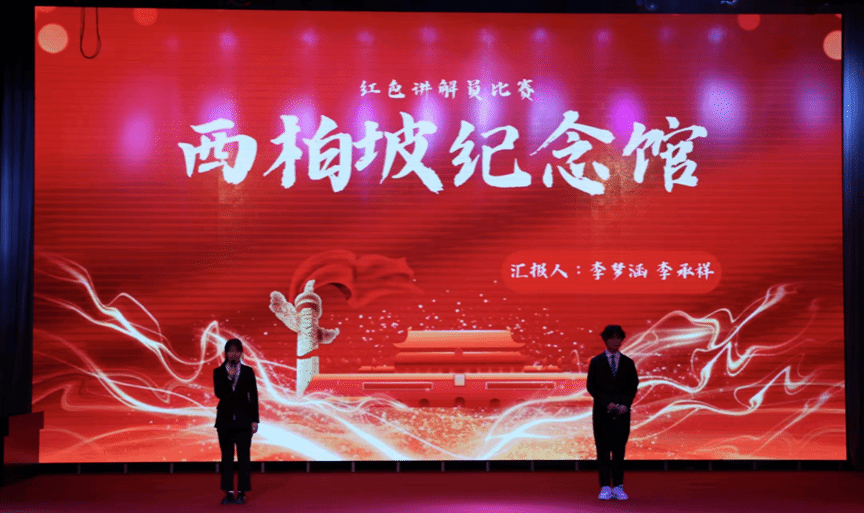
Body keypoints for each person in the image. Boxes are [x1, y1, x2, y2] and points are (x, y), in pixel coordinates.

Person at [586, 325, 639, 501]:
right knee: (602, 450)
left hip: (622, 413)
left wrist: (625, 405)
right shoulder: (596, 361)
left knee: (619, 450)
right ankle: (604, 486)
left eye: (618, 337)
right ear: (605, 340)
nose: (615, 341)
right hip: (602, 412)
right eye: (612, 337)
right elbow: (591, 386)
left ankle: (618, 486)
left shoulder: (628, 362)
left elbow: (633, 386)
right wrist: (606, 403)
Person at [214, 338, 259, 505]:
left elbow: (253, 396)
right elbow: (219, 393)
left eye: (237, 351)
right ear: (226, 353)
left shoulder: (248, 372)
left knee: (244, 458)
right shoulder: (218, 372)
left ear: (241, 353)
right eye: (231, 351)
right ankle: (228, 492)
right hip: (225, 421)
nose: (234, 354)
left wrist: (255, 420)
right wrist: (229, 378)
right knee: (226, 458)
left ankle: (242, 492)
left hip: (243, 420)